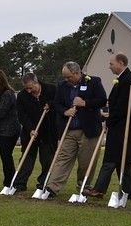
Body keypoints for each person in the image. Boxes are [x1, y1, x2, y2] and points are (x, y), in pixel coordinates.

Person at [44, 61, 106, 198]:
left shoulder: (93, 82)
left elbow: (102, 100)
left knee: (86, 161)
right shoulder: (62, 86)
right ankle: (52, 187)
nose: (66, 80)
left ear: (77, 73)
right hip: (69, 129)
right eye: (64, 77)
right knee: (63, 158)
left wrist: (85, 103)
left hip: (88, 130)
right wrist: (65, 111)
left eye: (69, 77)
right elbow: (57, 103)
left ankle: (83, 186)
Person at [84, 53, 131, 200]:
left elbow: (122, 107)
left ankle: (99, 189)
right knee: (123, 161)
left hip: (121, 128)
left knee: (111, 159)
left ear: (121, 63)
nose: (109, 67)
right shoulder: (122, 79)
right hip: (119, 125)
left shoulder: (127, 80)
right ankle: (129, 191)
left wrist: (109, 120)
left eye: (111, 64)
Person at [13, 73, 57, 191]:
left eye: (30, 87)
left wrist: (51, 105)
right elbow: (21, 115)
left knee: (47, 159)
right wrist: (30, 129)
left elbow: (59, 103)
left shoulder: (51, 89)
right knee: (27, 158)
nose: (28, 90)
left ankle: (44, 183)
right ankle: (19, 183)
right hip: (30, 132)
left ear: (36, 82)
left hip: (48, 132)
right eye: (26, 88)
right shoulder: (22, 96)